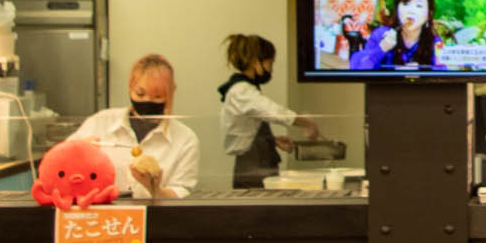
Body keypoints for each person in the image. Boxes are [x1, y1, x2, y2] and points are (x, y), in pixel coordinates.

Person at [63, 53, 200, 199]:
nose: (147, 101)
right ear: (130, 86)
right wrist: (78, 151)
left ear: (170, 93)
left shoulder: (185, 139)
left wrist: (156, 190)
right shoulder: (101, 122)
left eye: (158, 96)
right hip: (105, 210)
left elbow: (182, 191)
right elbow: (60, 162)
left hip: (154, 212)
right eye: (140, 94)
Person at [219, 33, 320, 188]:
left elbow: (247, 129)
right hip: (253, 168)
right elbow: (274, 112)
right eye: (270, 63)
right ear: (255, 62)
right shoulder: (241, 91)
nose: (271, 70)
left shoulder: (245, 89)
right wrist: (308, 124)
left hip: (259, 165)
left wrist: (272, 140)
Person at [349, 0, 439, 72]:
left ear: (429, 15)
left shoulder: (435, 42)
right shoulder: (381, 34)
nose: (411, 10)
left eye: (419, 6)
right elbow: (357, 69)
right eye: (406, 3)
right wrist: (381, 49)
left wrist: (420, 73)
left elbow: (443, 71)